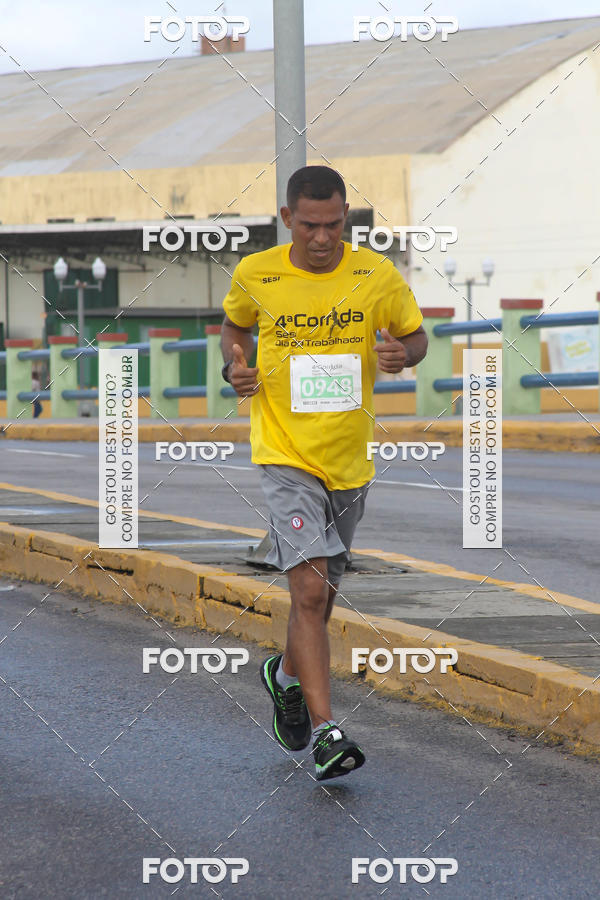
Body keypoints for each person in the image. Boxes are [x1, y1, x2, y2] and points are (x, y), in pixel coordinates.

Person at [220, 165, 428, 780]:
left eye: (334, 224)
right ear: (287, 219)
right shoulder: (256, 273)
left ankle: (285, 677)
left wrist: (400, 354)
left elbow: (415, 339)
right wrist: (235, 366)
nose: (321, 237)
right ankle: (327, 733)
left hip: (349, 459)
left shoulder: (375, 275)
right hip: (284, 454)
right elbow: (235, 327)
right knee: (307, 592)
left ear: (347, 218)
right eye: (309, 225)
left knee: (321, 600)